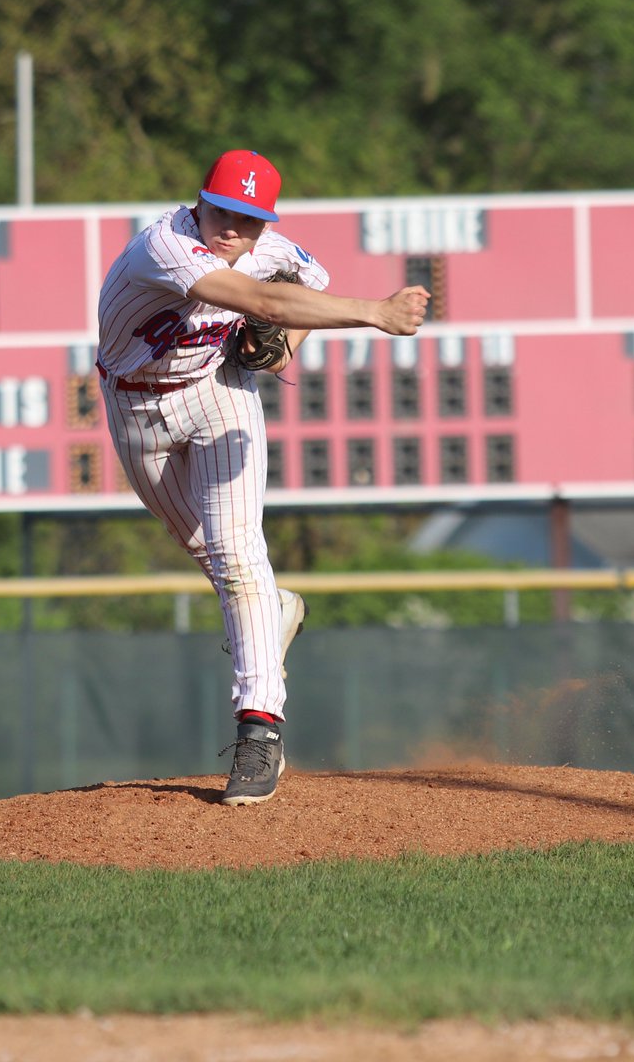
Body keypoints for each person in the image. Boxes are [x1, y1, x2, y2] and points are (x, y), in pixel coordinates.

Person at [96, 149, 428, 805]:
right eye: (224, 213)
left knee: (239, 554)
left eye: (249, 221)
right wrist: (375, 312)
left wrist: (284, 349)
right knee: (214, 560)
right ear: (200, 204)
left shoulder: (268, 246)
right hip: (134, 408)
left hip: (219, 393)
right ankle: (275, 612)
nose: (234, 232)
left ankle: (259, 731)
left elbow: (305, 281)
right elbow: (258, 297)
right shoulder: (164, 247)